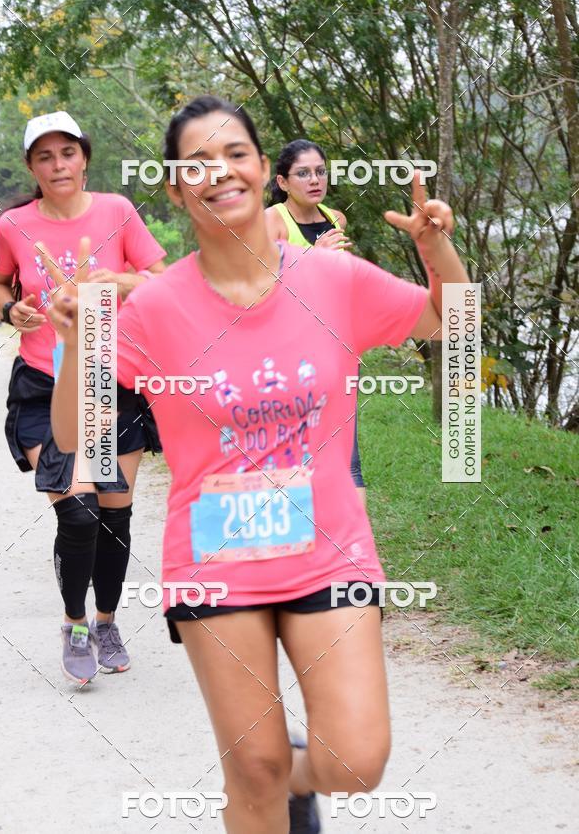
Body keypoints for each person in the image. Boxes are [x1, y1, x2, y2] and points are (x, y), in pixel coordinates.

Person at [47, 96, 469, 833]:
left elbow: (453, 327)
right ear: (175, 188)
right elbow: (79, 436)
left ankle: (288, 777)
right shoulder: (152, 307)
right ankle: (266, 785)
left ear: (263, 171)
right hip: (217, 558)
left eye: (235, 154)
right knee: (254, 768)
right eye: (196, 164)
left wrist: (437, 250)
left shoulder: (334, 279)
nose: (220, 173)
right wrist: (81, 342)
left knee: (356, 760)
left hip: (329, 547)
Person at [0, 110, 167, 684]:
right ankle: (76, 623)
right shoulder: (14, 225)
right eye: (45, 156)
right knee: (80, 510)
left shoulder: (117, 212)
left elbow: (161, 278)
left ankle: (108, 619)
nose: (58, 165)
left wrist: (118, 282)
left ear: (84, 157)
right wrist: (8, 308)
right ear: (32, 167)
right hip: (46, 385)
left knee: (115, 515)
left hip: (115, 382)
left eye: (67, 152)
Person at [265, 140, 366, 506]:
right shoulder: (272, 221)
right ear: (283, 181)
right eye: (303, 173)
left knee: (346, 458)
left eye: (320, 171)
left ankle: (352, 553)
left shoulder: (336, 218)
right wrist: (313, 256)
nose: (314, 180)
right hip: (287, 355)